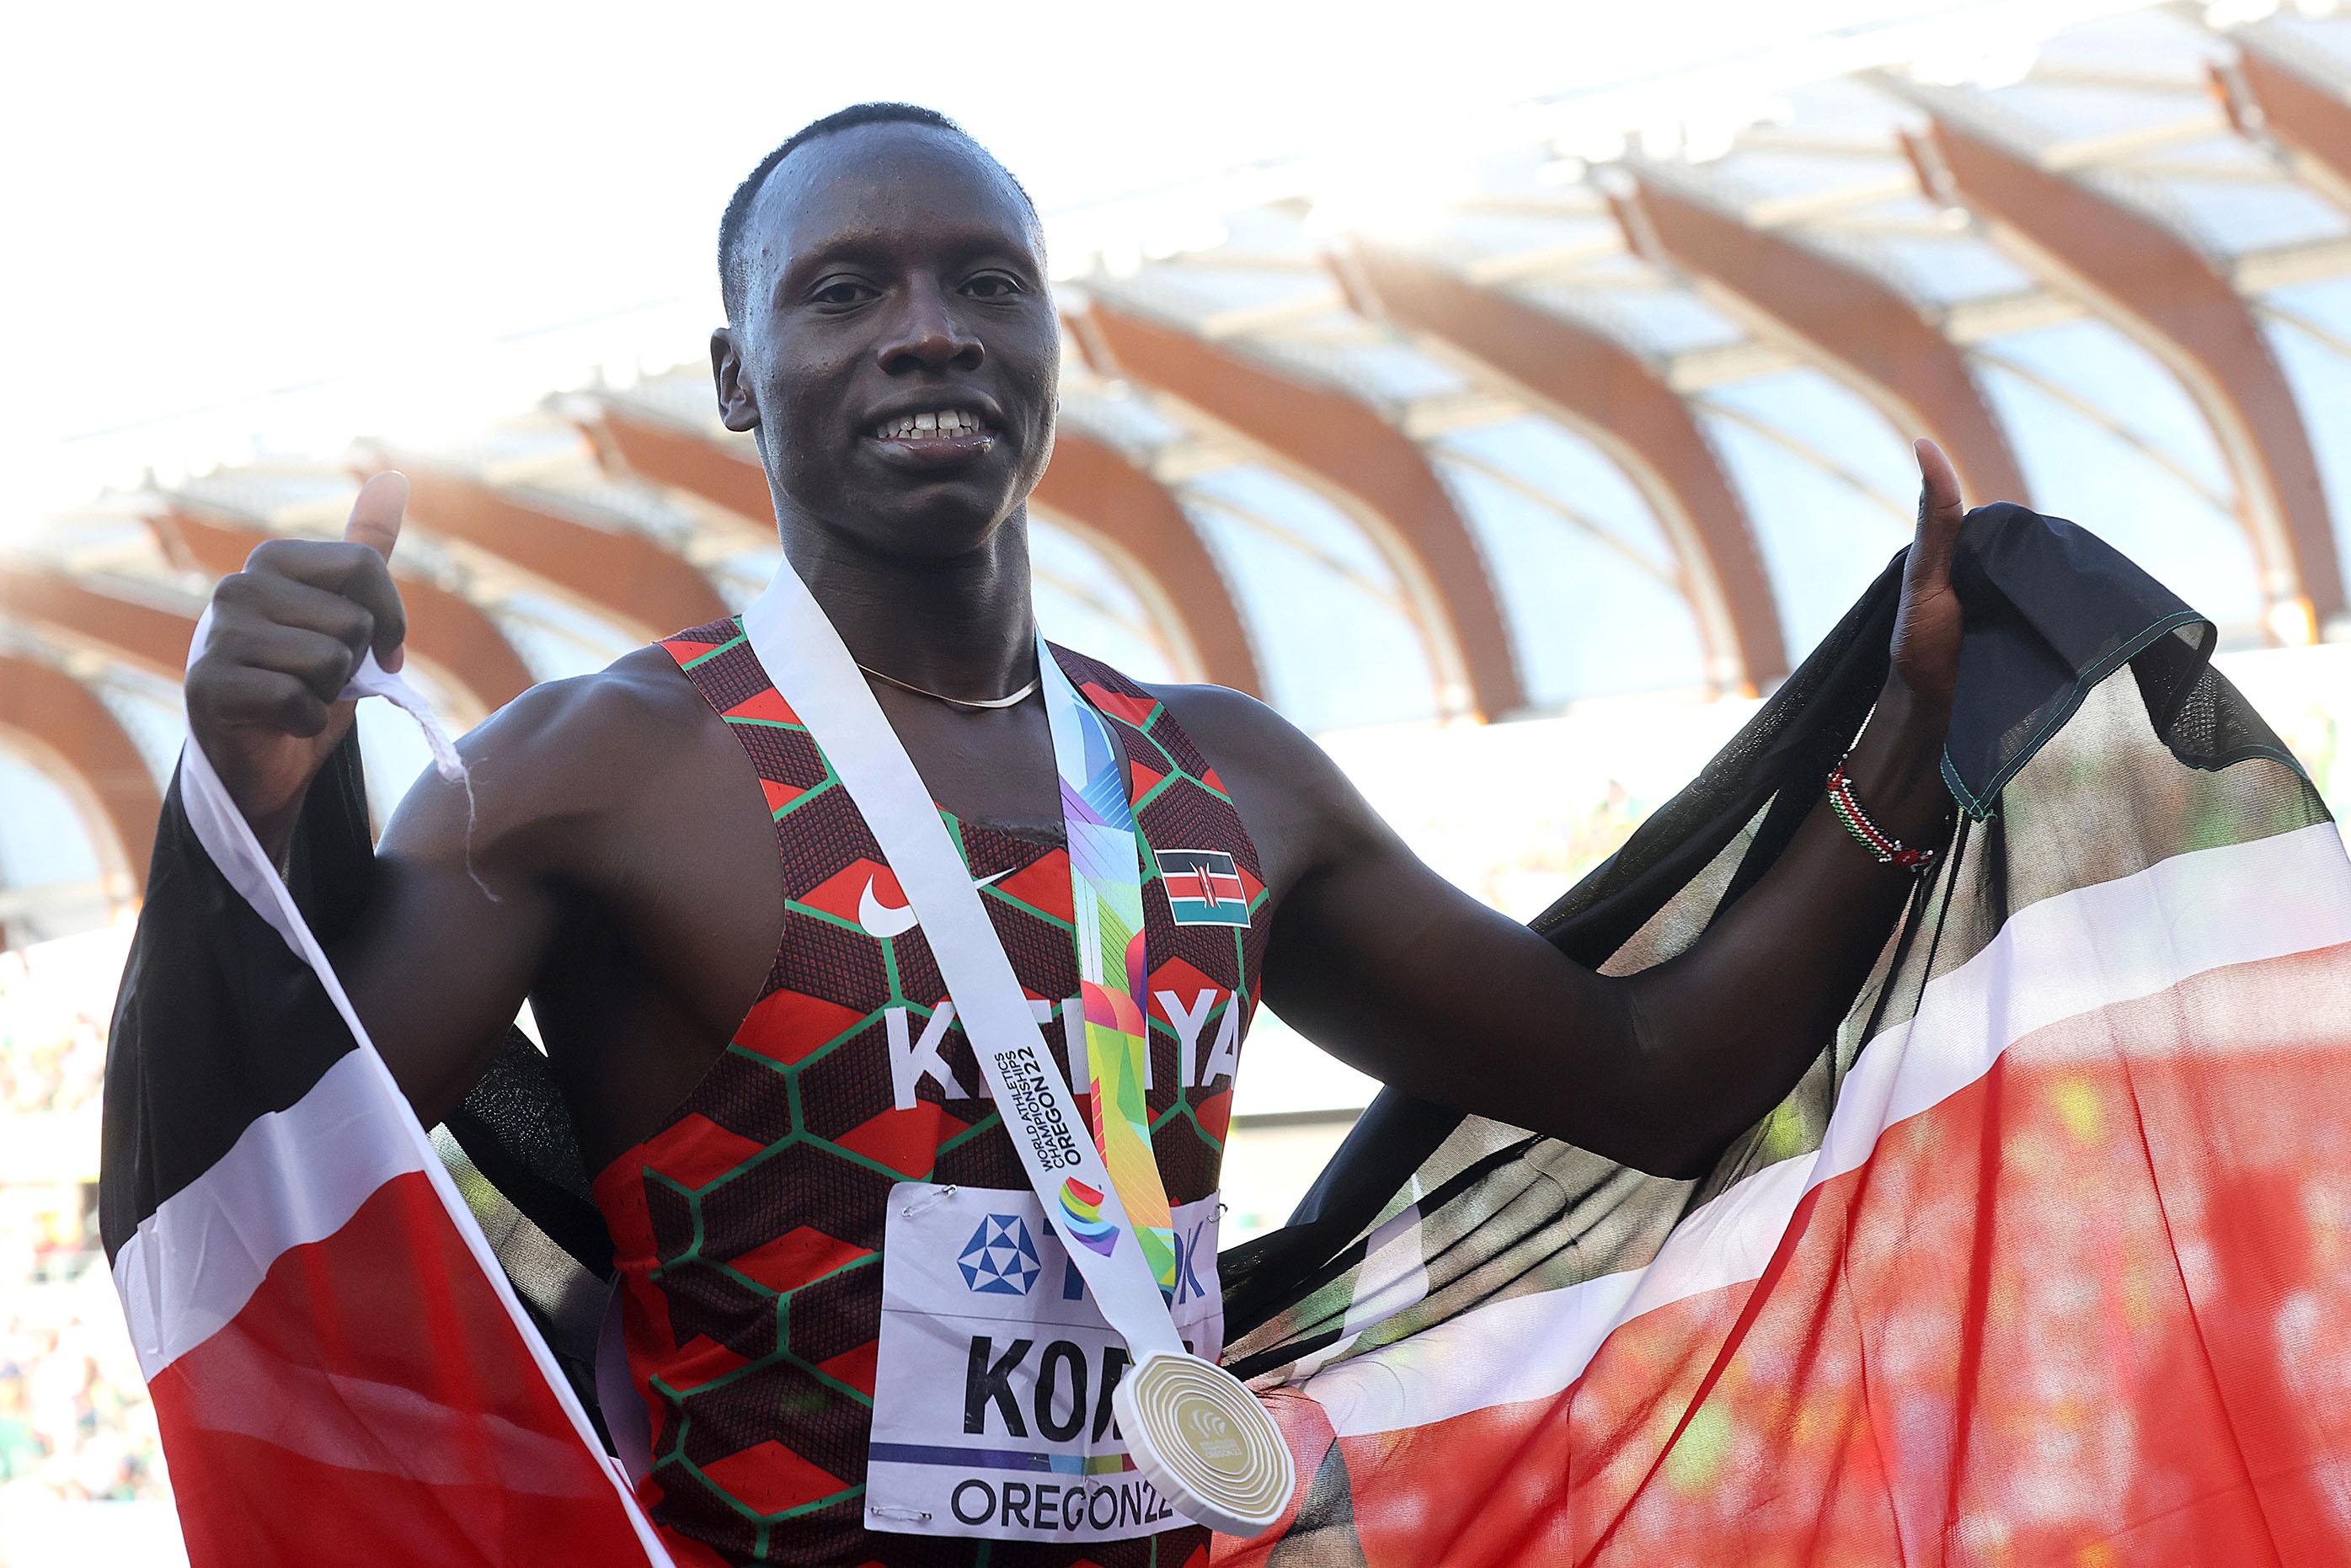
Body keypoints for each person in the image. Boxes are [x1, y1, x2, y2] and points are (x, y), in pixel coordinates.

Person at [182, 102, 1967, 1567]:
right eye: (843, 292)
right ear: (736, 376)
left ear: (1050, 340)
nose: (930, 329)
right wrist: (250, 795)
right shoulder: (599, 769)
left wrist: (1906, 740)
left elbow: (1653, 1076)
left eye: (987, 282)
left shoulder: (1229, 781)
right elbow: (240, 1192)